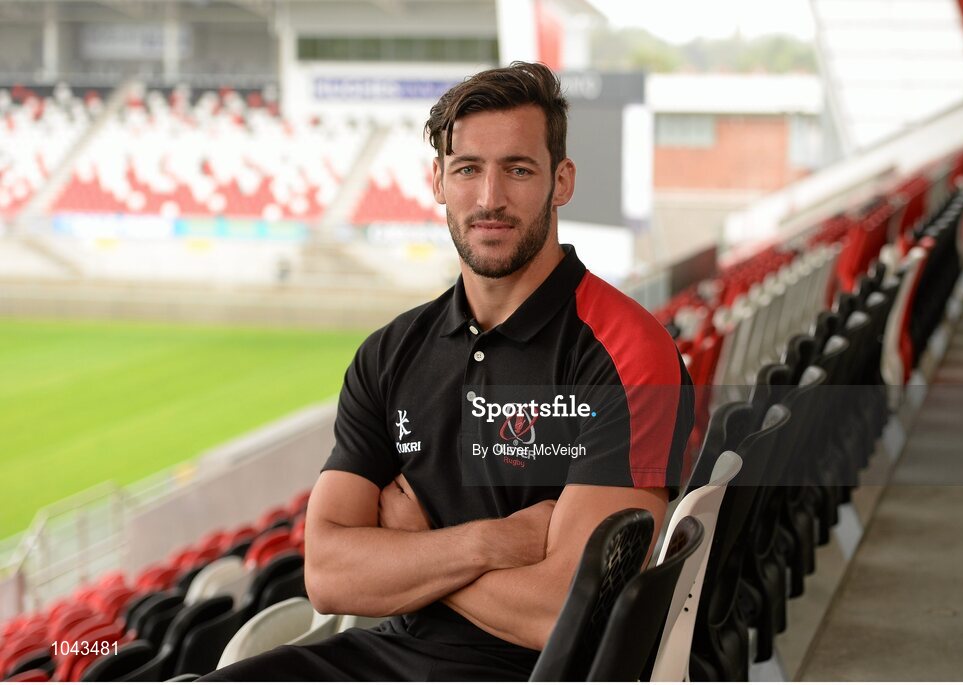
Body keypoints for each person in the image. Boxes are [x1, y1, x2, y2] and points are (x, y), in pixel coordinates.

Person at [201, 61, 693, 681]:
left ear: (561, 181)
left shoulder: (628, 353)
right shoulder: (390, 353)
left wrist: (417, 541)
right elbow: (328, 572)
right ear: (438, 180)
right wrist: (489, 543)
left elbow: (568, 612)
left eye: (518, 169)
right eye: (467, 169)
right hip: (394, 655)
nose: (490, 198)